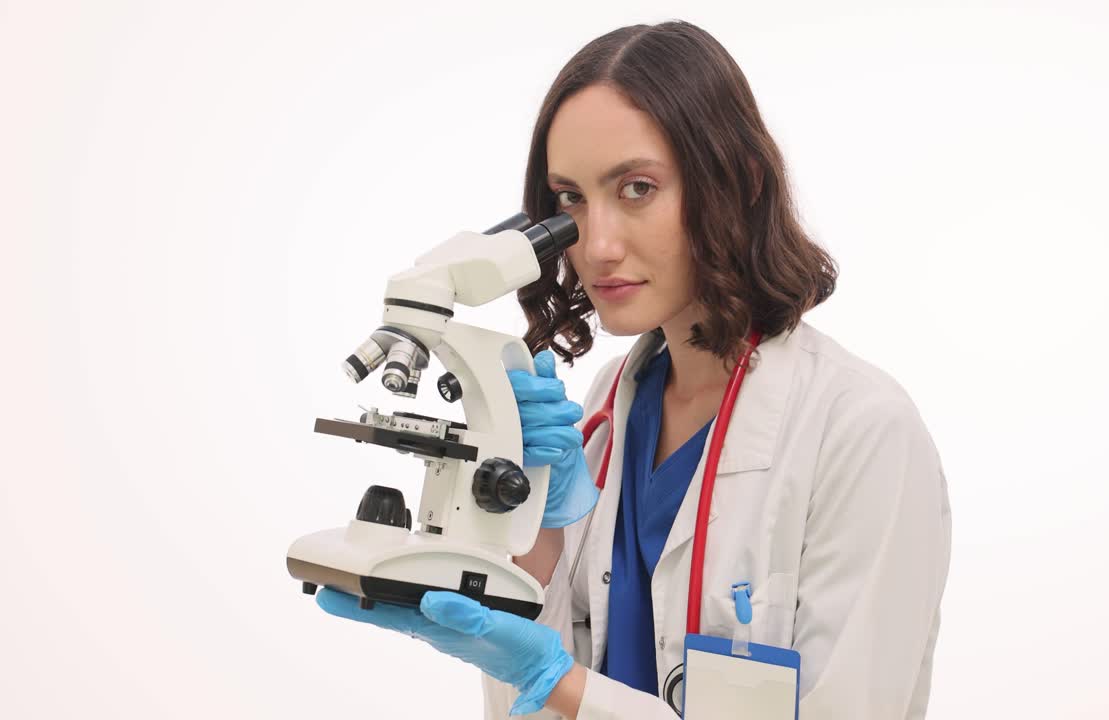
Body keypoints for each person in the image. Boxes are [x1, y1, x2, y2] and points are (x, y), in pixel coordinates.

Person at [317, 20, 952, 719]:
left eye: (638, 188)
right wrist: (535, 543)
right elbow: (527, 701)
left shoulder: (860, 433)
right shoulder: (603, 409)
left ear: (736, 183)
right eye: (571, 200)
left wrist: (554, 680)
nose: (596, 244)